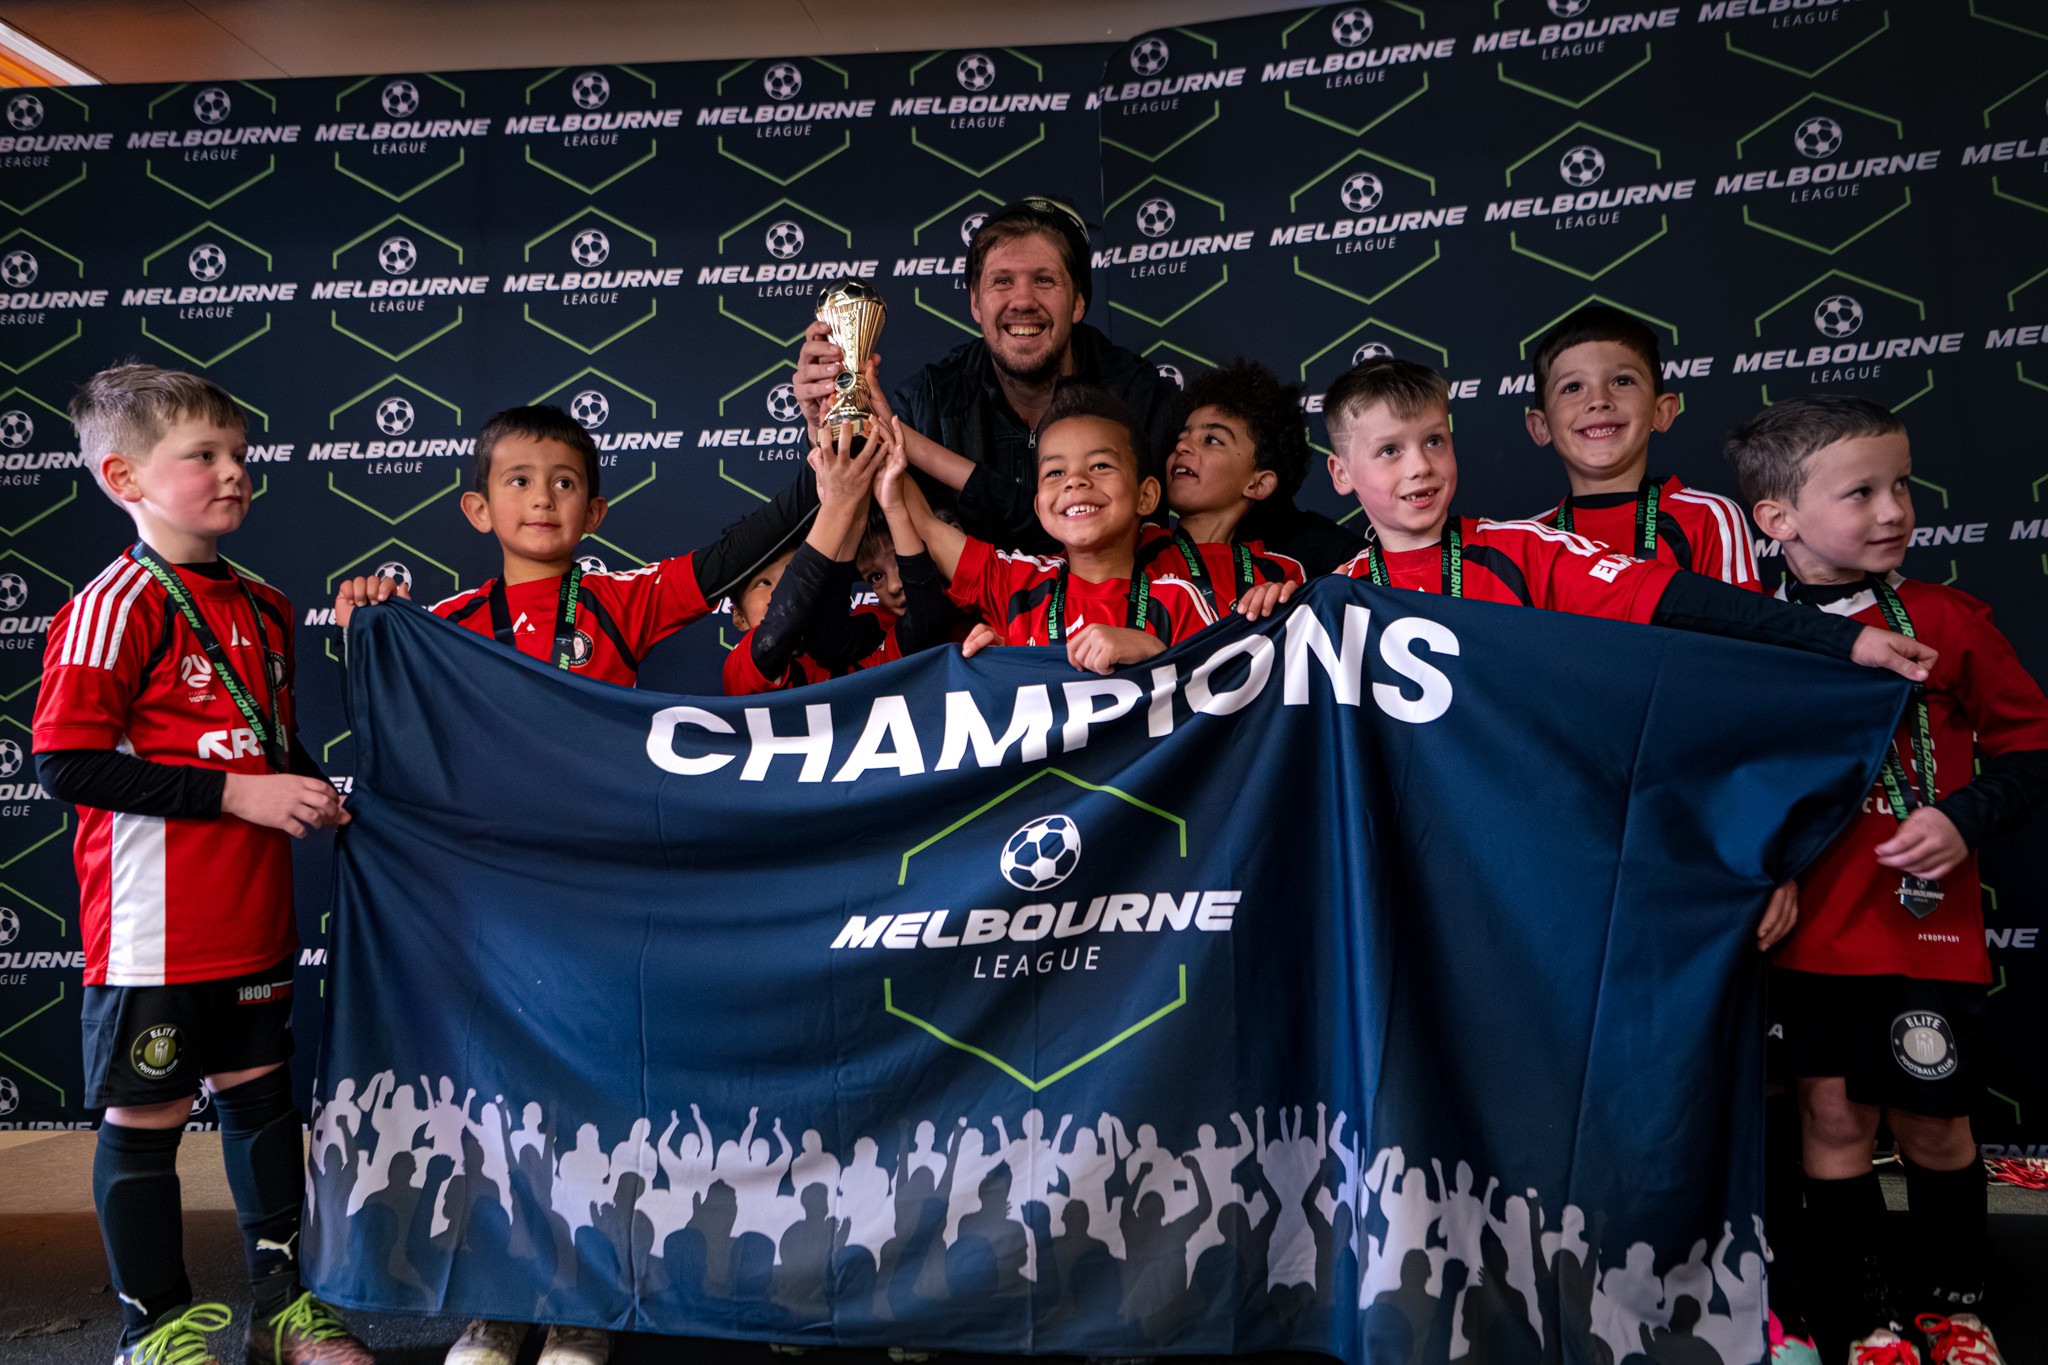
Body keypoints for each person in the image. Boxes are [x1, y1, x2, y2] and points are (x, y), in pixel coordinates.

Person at [30, 364, 371, 1365]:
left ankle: (284, 1311)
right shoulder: (114, 604)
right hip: (154, 926)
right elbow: (67, 764)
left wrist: (317, 790)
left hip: (252, 914)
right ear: (124, 478)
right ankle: (156, 1328)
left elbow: (266, 743)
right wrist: (239, 795)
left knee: (263, 1102)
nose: (233, 473)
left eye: (240, 456)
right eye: (204, 457)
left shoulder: (264, 605)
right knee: (148, 1117)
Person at [1728, 395, 2048, 1365]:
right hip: (1806, 939)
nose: (1891, 509)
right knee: (1830, 1122)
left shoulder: (1949, 620)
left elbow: (2028, 751)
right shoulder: (1746, 634)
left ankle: (1955, 1306)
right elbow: (1709, 777)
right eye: (1858, 490)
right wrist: (1759, 871)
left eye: (1899, 485)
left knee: (1936, 1127)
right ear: (1774, 519)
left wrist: (1960, 818)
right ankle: (1858, 1315)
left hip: (1923, 935)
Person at [793, 196, 1361, 570]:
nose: (1022, 301)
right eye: (1001, 282)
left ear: (1079, 302)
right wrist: (831, 426)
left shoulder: (1141, 396)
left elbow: (1258, 514)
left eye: (1045, 280)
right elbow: (852, 527)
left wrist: (1373, 565)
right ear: (973, 303)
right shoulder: (927, 399)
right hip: (970, 645)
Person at [1320, 356, 1933, 682]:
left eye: (1434, 441)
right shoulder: (1330, 598)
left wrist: (1846, 637)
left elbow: (1689, 601)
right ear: (1341, 474)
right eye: (1389, 451)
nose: (1420, 468)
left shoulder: (1526, 550)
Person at [333, 405, 810, 689]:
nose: (542, 498)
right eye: (519, 480)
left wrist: (827, 453)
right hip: (497, 848)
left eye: (564, 483)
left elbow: (735, 554)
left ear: (593, 515)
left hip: (598, 844)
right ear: (480, 510)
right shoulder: (446, 625)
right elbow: (391, 725)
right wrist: (364, 633)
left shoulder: (622, 599)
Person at [874, 386, 1217, 675]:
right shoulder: (1016, 584)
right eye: (1055, 472)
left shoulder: (1180, 601)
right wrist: (870, 424)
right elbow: (929, 528)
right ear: (1039, 507)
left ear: (1146, 496)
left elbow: (1232, 708)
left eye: (1100, 465)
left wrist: (1158, 654)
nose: (1076, 481)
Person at [1523, 305, 1759, 589]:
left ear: (1661, 412)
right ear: (1542, 426)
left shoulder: (1708, 517)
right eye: (1573, 387)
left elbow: (1739, 631)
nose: (1598, 400)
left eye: (1622, 381)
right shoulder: (1528, 539)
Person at [723, 421, 946, 695]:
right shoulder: (741, 666)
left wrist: (865, 503)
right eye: (763, 584)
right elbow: (775, 635)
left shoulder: (864, 635)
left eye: (793, 572)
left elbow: (925, 622)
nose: (784, 590)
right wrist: (837, 505)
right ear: (738, 618)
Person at [1133, 359, 1308, 616]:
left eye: (1212, 440)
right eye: (1181, 438)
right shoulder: (1135, 545)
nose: (1182, 447)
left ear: (1258, 484)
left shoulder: (1280, 574)